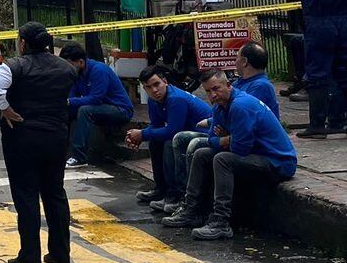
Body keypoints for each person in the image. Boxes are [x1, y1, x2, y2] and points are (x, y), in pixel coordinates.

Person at [0, 22, 77, 263]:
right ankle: (60, 253)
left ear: (23, 43)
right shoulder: (66, 68)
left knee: (26, 195)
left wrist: (6, 109)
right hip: (56, 136)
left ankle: (30, 256)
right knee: (55, 193)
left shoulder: (14, 66)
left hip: (22, 136)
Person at [163, 68, 297, 238]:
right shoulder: (219, 107)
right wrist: (225, 140)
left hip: (277, 162)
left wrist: (226, 140)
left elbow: (240, 149)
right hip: (255, 154)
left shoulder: (241, 106)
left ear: (228, 85)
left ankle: (221, 222)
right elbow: (212, 137)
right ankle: (192, 210)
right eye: (208, 91)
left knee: (222, 159)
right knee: (201, 153)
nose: (212, 95)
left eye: (216, 89)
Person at [124, 65, 214, 215]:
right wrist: (140, 136)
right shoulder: (154, 100)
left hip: (204, 134)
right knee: (155, 142)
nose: (154, 90)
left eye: (157, 84)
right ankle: (161, 190)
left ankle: (176, 196)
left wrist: (142, 134)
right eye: (148, 87)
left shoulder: (176, 99)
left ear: (165, 81)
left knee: (169, 143)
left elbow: (173, 130)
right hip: (183, 135)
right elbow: (156, 126)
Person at [289, 0, 347, 139]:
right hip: (344, 22)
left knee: (317, 74)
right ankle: (339, 120)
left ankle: (317, 124)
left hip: (319, 23)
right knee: (343, 71)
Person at [60, 42, 133, 166]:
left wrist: (69, 101)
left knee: (84, 110)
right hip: (99, 109)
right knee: (65, 111)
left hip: (120, 110)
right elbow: (72, 97)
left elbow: (95, 99)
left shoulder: (99, 70)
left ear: (81, 62)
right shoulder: (76, 74)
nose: (66, 68)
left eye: (69, 64)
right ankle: (59, 151)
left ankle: (79, 157)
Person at [234, 42, 280, 117]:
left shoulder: (261, 86)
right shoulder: (238, 83)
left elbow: (243, 114)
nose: (235, 62)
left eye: (237, 57)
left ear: (244, 62)